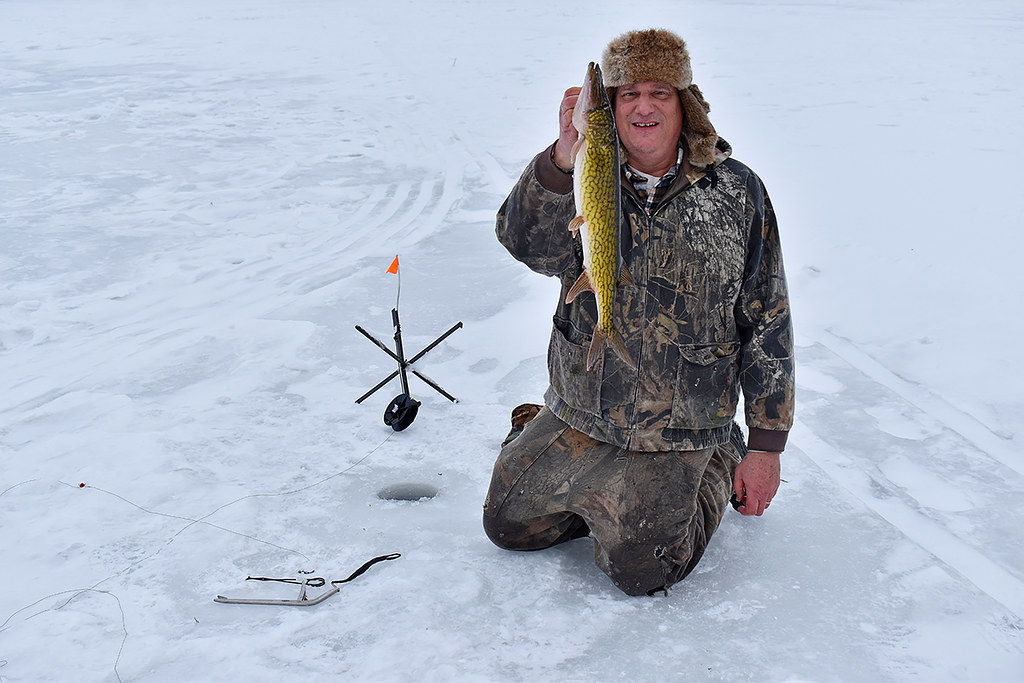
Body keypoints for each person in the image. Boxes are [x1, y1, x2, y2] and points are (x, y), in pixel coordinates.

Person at [482, 28, 795, 596]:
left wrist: (764, 447)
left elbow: (768, 316)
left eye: (660, 93)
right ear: (609, 109)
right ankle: (554, 444)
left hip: (681, 424)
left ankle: (715, 461)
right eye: (628, 94)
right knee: (508, 528)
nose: (643, 107)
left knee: (642, 570)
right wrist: (559, 159)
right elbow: (524, 243)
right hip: (584, 408)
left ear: (684, 102)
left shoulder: (737, 191)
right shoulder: (583, 176)